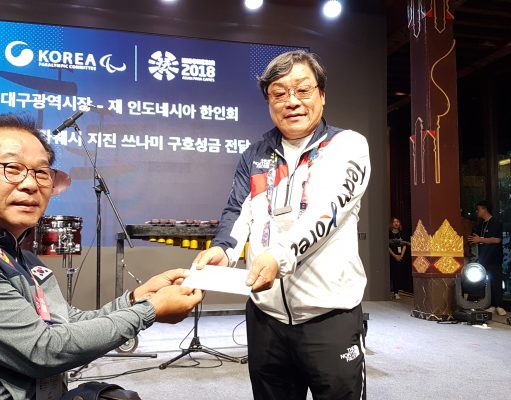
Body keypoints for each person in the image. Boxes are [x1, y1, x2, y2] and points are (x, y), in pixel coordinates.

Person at [195, 50, 371, 399]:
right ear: (269, 102)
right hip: (266, 317)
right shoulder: (255, 154)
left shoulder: (347, 146)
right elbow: (237, 210)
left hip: (330, 315)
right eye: (279, 93)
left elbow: (327, 212)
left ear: (322, 95)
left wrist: (279, 256)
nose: (291, 101)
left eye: (303, 90)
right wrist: (223, 250)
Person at [0, 113, 203, 400]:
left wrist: (136, 299)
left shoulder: (27, 260)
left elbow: (68, 322)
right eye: (12, 168)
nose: (30, 184)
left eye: (41, 172)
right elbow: (43, 349)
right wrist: (150, 311)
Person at [467, 200, 506, 316]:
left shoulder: (496, 223)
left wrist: (481, 240)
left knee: (496, 280)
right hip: (483, 258)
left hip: (494, 257)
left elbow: (497, 240)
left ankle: (499, 305)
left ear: (485, 209)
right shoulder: (481, 224)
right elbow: (476, 238)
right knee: (486, 281)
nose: (477, 212)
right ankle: (491, 305)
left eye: (478, 209)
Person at [388, 217, 408, 300]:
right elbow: (387, 246)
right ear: (391, 224)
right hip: (392, 256)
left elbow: (404, 245)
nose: (396, 223)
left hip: (400, 257)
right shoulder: (389, 233)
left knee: (398, 273)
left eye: (398, 222)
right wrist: (395, 256)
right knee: (393, 274)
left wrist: (401, 256)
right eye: (394, 222)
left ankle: (397, 291)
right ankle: (393, 291)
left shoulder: (402, 233)